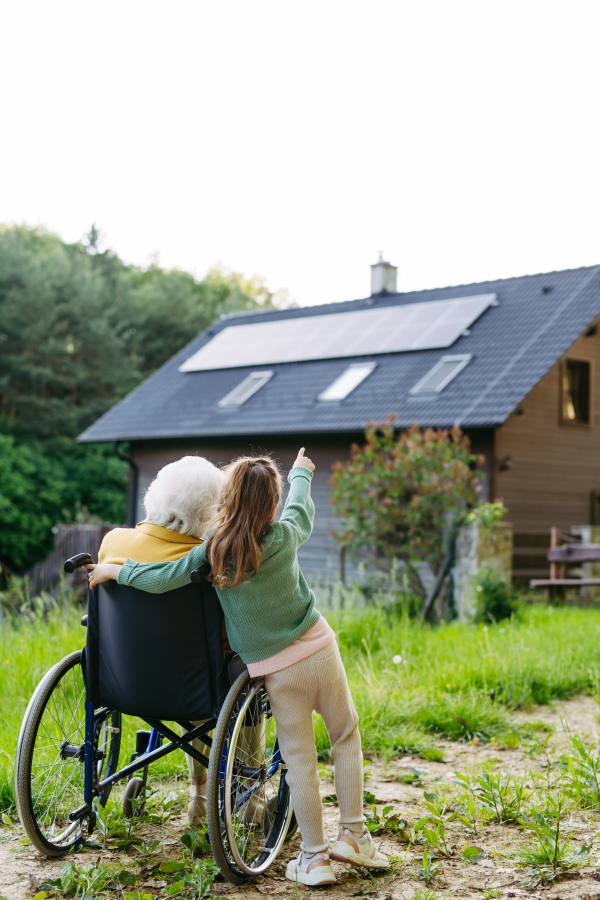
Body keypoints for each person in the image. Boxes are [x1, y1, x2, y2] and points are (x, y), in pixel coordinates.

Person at [87, 449, 389, 887]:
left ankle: (315, 858)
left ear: (223, 504)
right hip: (320, 648)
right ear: (271, 505)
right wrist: (302, 472)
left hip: (277, 670)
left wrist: (116, 570)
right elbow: (300, 507)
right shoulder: (285, 535)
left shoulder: (213, 554)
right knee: (345, 735)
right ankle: (354, 833)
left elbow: (161, 578)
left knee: (298, 759)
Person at [96, 455, 224, 824]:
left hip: (121, 681)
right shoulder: (205, 559)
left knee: (193, 675)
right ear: (211, 511)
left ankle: (198, 794)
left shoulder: (113, 541)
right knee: (236, 671)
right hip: (192, 689)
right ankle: (244, 794)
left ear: (156, 494)